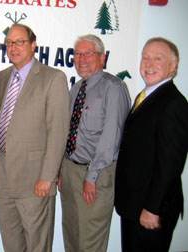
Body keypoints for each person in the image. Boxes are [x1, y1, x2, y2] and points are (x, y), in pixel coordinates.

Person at [0, 23, 69, 252]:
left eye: (20, 42)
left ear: (33, 45)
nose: (14, 47)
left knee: (37, 244)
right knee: (11, 243)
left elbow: (58, 131)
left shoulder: (53, 78)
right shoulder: (3, 76)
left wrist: (48, 176)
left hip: (35, 179)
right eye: (9, 43)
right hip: (3, 175)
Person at [115, 37, 188, 252]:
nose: (148, 63)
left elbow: (170, 166)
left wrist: (152, 209)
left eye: (158, 59)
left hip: (150, 210)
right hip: (134, 205)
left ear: (173, 66)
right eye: (145, 57)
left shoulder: (174, 104)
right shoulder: (145, 96)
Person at [59, 34, 131, 252]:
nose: (81, 59)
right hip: (70, 172)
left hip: (96, 175)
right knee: (71, 236)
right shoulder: (75, 89)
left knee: (90, 242)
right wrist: (61, 169)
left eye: (88, 53)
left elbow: (111, 138)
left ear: (102, 58)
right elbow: (67, 132)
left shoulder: (114, 88)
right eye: (78, 54)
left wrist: (91, 177)